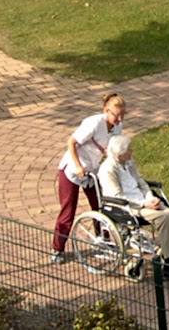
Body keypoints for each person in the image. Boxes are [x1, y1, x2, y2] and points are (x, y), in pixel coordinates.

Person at [98, 134, 169, 270]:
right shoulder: (108, 170)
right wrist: (144, 204)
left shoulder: (129, 163)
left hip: (142, 200)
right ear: (120, 154)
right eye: (129, 149)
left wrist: (150, 198)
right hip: (126, 207)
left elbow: (141, 183)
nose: (132, 151)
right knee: (164, 217)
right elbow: (118, 196)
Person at [51, 93, 126, 264]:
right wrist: (78, 166)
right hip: (73, 169)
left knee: (101, 205)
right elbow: (71, 143)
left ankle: (103, 240)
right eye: (116, 115)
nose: (120, 119)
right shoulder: (93, 123)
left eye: (123, 114)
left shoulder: (117, 127)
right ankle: (57, 248)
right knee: (68, 210)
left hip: (92, 170)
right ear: (106, 110)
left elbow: (113, 150)